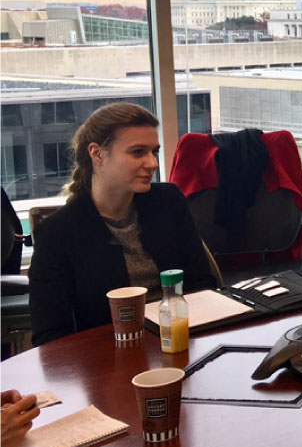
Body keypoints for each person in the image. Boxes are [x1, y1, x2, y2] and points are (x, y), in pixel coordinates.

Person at [29, 103, 217, 346]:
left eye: (154, 152)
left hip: (183, 341)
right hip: (106, 360)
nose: (152, 163)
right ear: (97, 154)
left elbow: (202, 284)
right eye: (138, 152)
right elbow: (50, 336)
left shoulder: (168, 202)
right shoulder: (57, 233)